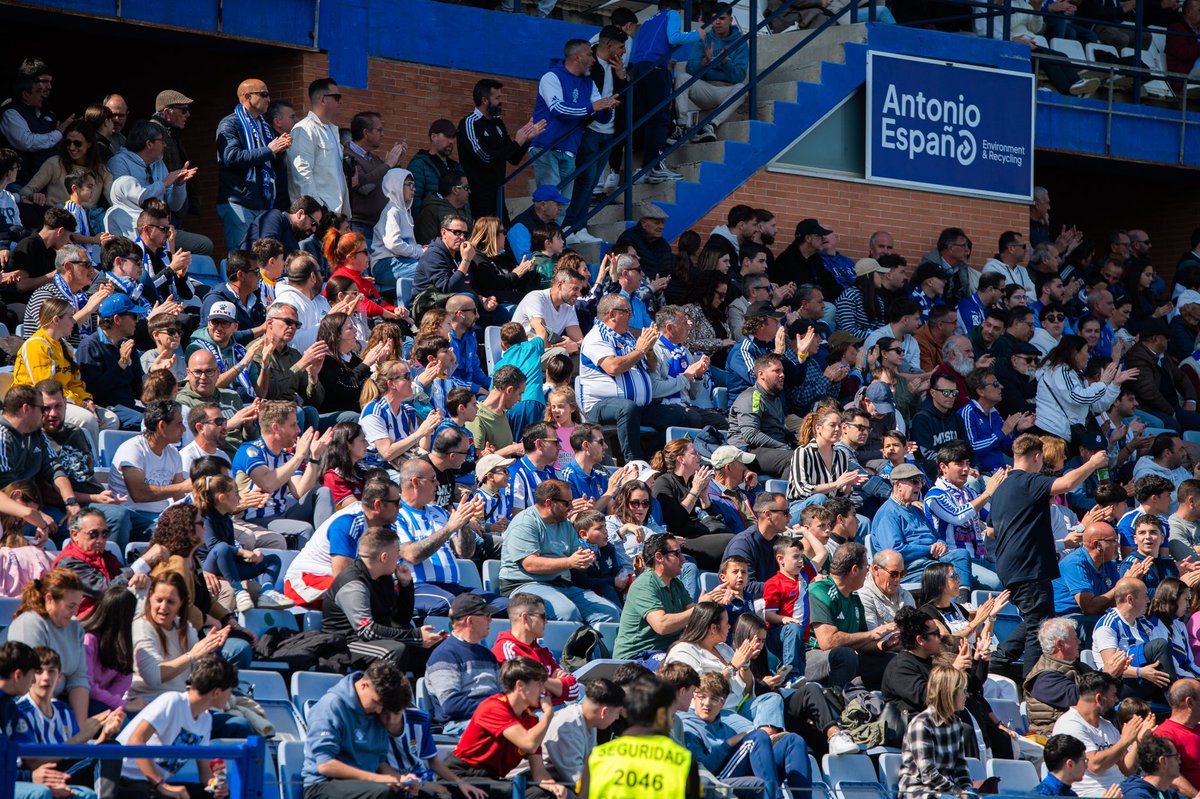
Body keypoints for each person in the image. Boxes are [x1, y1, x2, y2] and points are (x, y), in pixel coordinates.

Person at [992, 434, 1112, 673]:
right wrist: (1093, 463)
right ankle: (1033, 684)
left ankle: (999, 661)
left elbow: (990, 531)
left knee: (1036, 619)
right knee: (1039, 628)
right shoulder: (1029, 481)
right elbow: (1066, 484)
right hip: (1029, 567)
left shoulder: (1001, 487)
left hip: (1010, 567)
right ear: (1037, 457)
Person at [112, 654, 238, 799]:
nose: (230, 696)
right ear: (217, 692)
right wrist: (161, 785)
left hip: (154, 785)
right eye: (229, 691)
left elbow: (205, 775)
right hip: (126, 779)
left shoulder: (206, 719)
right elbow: (135, 741)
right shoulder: (172, 701)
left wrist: (216, 785)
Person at [580, 293, 687, 462]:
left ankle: (651, 459)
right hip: (601, 406)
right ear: (612, 314)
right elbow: (613, 367)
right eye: (627, 312)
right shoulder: (596, 337)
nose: (631, 316)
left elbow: (652, 367)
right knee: (627, 408)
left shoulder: (628, 337)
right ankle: (633, 462)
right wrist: (639, 351)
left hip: (638, 407)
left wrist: (649, 350)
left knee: (679, 417)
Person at [500, 480, 621, 624]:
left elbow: (577, 559)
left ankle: (590, 640)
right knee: (566, 613)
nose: (571, 507)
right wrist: (570, 562)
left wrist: (584, 561)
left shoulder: (565, 525)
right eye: (567, 503)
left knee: (610, 613)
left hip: (562, 584)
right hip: (526, 585)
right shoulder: (525, 523)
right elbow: (530, 564)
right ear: (549, 503)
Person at [445, 657, 566, 799]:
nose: (543, 691)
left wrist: (554, 787)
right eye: (539, 684)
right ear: (520, 685)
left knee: (543, 794)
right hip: (460, 776)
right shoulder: (494, 707)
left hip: (490, 779)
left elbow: (539, 772)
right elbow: (528, 744)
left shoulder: (531, 720)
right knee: (514, 792)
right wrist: (548, 714)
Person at [679, 671, 813, 799]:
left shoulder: (727, 729)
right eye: (702, 697)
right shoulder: (686, 726)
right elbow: (702, 769)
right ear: (694, 697)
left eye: (714, 699)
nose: (707, 703)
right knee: (757, 737)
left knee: (792, 741)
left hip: (742, 777)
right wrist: (728, 745)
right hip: (714, 781)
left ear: (723, 703)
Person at [322, 525, 432, 670]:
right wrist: (415, 636)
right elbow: (367, 630)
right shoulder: (354, 584)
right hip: (346, 643)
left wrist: (406, 586)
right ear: (384, 557)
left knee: (431, 647)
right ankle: (389, 686)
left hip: (373, 639)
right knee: (395, 651)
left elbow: (400, 620)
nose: (399, 558)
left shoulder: (383, 577)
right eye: (397, 553)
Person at [14, 295, 117, 446]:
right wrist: (81, 404)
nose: (73, 321)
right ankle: (87, 459)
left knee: (110, 420)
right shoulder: (36, 346)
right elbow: (46, 389)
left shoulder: (66, 347)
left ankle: (84, 455)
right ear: (56, 320)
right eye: (70, 317)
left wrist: (87, 400)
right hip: (38, 404)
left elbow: (75, 383)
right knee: (88, 420)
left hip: (63, 401)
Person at [300, 659, 409, 799]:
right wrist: (374, 778)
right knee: (383, 792)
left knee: (423, 794)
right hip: (323, 785)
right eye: (376, 702)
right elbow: (325, 765)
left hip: (366, 784)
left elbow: (379, 762)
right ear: (364, 685)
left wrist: (400, 780)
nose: (379, 710)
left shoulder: (376, 711)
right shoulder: (331, 706)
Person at [581, 674, 702, 799]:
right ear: (661, 715)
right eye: (670, 713)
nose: (671, 721)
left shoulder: (598, 757)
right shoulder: (684, 761)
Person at [614, 533, 730, 659]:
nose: (683, 559)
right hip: (638, 656)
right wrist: (699, 608)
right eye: (677, 554)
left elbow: (694, 620)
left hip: (669, 651)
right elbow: (662, 625)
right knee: (684, 667)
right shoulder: (644, 584)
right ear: (659, 557)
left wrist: (713, 603)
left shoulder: (676, 584)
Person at [629, 0, 706, 183]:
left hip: (639, 69)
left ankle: (648, 168)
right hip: (655, 68)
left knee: (649, 119)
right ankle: (655, 166)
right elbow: (674, 37)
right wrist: (698, 34)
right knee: (660, 118)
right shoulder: (671, 14)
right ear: (677, 9)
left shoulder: (648, 21)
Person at [233, 400, 329, 541]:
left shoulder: (286, 457)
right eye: (293, 425)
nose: (298, 430)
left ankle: (326, 543)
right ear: (276, 427)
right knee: (304, 529)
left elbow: (300, 492)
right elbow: (267, 484)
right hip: (254, 520)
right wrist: (298, 456)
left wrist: (314, 458)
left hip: (281, 515)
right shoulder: (249, 451)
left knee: (322, 492)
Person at [872, 464, 977, 590]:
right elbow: (895, 550)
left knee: (963, 556)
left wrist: (941, 544)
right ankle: (961, 599)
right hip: (912, 568)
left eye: (921, 481)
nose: (920, 486)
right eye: (915, 481)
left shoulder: (916, 510)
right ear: (898, 485)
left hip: (935, 561)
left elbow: (936, 536)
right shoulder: (888, 513)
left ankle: (963, 596)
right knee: (949, 577)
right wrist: (929, 549)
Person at [215, 78, 292, 249]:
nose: (269, 99)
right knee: (243, 256)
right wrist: (270, 150)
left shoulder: (265, 128)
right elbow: (231, 157)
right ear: (247, 96)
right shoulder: (230, 123)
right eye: (264, 94)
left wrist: (281, 152)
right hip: (238, 201)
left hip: (262, 202)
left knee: (261, 257)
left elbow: (275, 168)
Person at [808, 543, 897, 691]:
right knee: (845, 655)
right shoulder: (820, 590)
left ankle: (875, 701)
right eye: (866, 567)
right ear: (855, 570)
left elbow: (861, 643)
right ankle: (838, 700)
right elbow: (827, 642)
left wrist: (885, 645)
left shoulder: (854, 598)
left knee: (894, 661)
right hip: (813, 656)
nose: (868, 571)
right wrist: (871, 634)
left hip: (846, 656)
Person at [7, 568, 89, 724]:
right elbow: (33, 681)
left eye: (78, 606)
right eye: (70, 606)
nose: (75, 612)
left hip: (61, 701)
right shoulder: (30, 623)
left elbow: (79, 679)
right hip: (30, 706)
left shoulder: (75, 628)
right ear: (50, 599)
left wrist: (80, 728)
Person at [458, 79, 542, 222]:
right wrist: (517, 142)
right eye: (497, 98)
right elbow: (485, 158)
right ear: (485, 100)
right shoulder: (470, 123)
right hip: (479, 197)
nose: (500, 102)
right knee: (486, 235)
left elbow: (513, 158)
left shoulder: (497, 122)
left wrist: (526, 140)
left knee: (504, 233)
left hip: (498, 194)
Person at [1052, 671, 1145, 796]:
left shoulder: (1107, 725)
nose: (1116, 700)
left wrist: (1138, 741)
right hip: (1089, 793)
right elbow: (1095, 765)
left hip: (1120, 789)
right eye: (1113, 695)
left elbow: (1127, 770)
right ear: (1099, 698)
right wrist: (1125, 740)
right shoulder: (1070, 724)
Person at [107, 399, 189, 538]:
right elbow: (139, 494)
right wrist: (183, 487)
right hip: (132, 517)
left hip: (161, 516)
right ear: (162, 426)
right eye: (179, 423)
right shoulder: (132, 449)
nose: (184, 429)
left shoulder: (173, 454)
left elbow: (179, 497)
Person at [650, 439, 731, 571]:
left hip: (701, 533)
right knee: (732, 542)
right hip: (682, 540)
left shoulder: (691, 482)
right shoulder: (663, 482)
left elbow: (713, 518)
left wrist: (704, 497)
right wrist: (695, 491)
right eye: (694, 453)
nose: (699, 457)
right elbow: (675, 520)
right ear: (681, 459)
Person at [897, 666, 977, 799]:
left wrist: (967, 790)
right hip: (919, 791)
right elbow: (928, 774)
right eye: (963, 690)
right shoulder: (922, 724)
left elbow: (960, 766)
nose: (967, 695)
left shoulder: (957, 723)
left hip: (945, 790)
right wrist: (959, 793)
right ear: (949, 693)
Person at [492, 593, 580, 704]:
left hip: (557, 710)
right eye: (543, 616)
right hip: (536, 713)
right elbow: (525, 695)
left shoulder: (543, 651)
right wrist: (553, 684)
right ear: (526, 618)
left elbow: (573, 690)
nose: (546, 621)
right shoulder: (506, 650)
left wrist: (540, 681)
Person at [76, 293, 146, 430]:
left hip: (129, 407)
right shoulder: (90, 346)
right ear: (117, 319)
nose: (137, 321)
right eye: (134, 316)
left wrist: (155, 377)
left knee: (167, 418)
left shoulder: (128, 346)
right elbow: (94, 391)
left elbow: (138, 389)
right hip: (106, 409)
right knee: (147, 423)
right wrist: (121, 365)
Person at [542, 678, 625, 789]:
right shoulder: (568, 726)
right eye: (617, 712)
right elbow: (577, 779)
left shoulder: (590, 723)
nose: (617, 717)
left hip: (561, 783)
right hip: (534, 784)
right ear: (604, 712)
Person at [728, 352, 796, 479]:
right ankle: (784, 491)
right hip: (748, 452)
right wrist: (783, 447)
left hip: (770, 450)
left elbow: (779, 428)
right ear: (761, 374)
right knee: (794, 459)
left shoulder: (774, 398)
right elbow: (751, 434)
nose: (782, 375)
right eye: (776, 371)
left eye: (782, 371)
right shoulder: (752, 397)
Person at [288, 78, 349, 215]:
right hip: (317, 215)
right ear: (322, 100)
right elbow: (301, 174)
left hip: (334, 214)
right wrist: (316, 211)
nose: (340, 102)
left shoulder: (332, 131)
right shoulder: (305, 129)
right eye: (337, 97)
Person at [82, 585, 139, 715]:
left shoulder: (122, 647)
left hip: (105, 706)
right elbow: (86, 687)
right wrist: (125, 705)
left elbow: (118, 689)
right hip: (83, 704)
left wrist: (117, 706)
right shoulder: (88, 641)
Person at [857, 549, 917, 628]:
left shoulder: (905, 595)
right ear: (876, 570)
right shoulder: (863, 595)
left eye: (902, 573)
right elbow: (871, 633)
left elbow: (915, 628)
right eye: (894, 574)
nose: (898, 579)